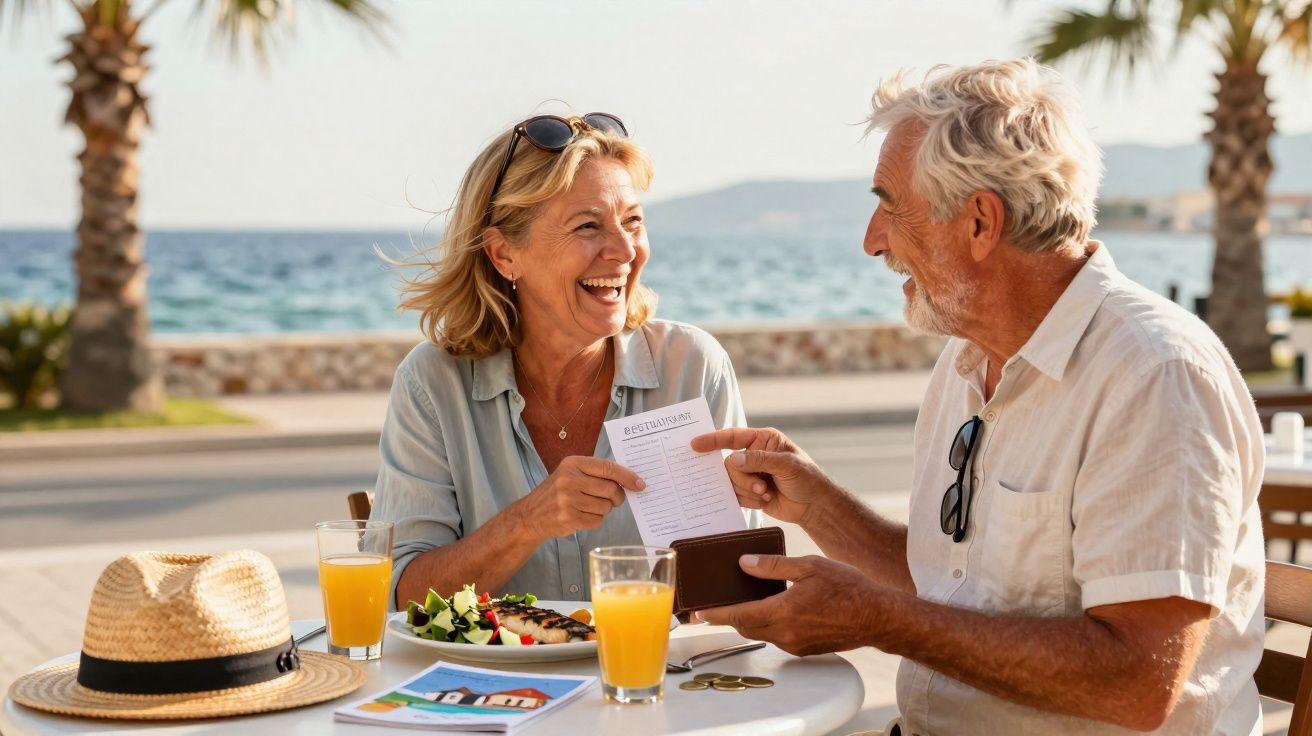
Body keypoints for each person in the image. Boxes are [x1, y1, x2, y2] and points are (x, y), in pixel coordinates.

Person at [694, 59, 1265, 735]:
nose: (872, 240)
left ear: (980, 222)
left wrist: (876, 620)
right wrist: (820, 506)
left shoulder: (1154, 373)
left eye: (890, 206)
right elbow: (954, 586)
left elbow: (1140, 682)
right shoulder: (967, 361)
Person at [374, 111, 746, 608]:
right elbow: (402, 600)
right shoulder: (433, 384)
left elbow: (738, 589)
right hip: (501, 664)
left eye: (633, 221)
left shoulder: (692, 369)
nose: (624, 250)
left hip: (653, 660)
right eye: (588, 226)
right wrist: (529, 521)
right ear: (504, 255)